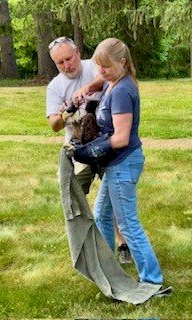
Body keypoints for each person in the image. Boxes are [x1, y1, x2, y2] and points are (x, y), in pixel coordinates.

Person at [72, 38, 163, 284]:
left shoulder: (122, 90)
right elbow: (102, 78)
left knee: (128, 224)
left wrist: (90, 151)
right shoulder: (114, 81)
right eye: (98, 65)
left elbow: (121, 138)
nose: (101, 71)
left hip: (124, 162)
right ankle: (108, 269)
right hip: (117, 164)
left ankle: (152, 279)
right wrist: (88, 87)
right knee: (102, 214)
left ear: (122, 62)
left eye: (106, 66)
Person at [46, 36, 132, 264]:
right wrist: (68, 109)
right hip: (79, 149)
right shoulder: (55, 86)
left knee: (114, 198)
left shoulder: (94, 65)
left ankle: (123, 244)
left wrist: (87, 87)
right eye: (60, 63)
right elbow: (54, 124)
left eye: (69, 58)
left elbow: (107, 78)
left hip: (106, 145)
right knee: (73, 198)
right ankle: (83, 244)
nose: (67, 65)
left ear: (77, 53)